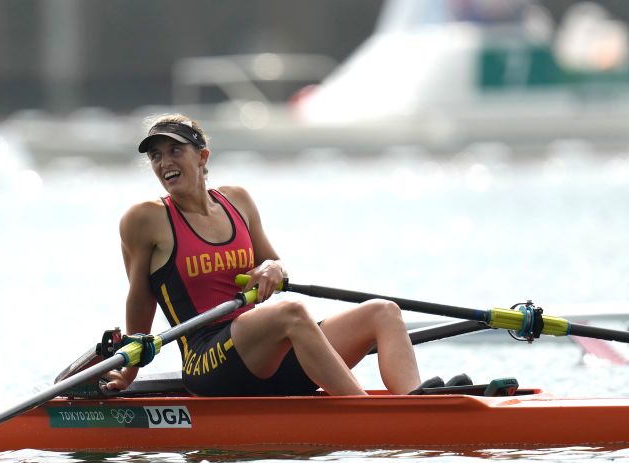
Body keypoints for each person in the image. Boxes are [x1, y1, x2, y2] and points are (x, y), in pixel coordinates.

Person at [105, 113, 467, 396]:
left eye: (175, 151)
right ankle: (364, 411)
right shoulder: (145, 219)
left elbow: (272, 261)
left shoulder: (237, 200)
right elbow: (140, 297)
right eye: (155, 155)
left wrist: (272, 268)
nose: (164, 162)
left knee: (383, 312)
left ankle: (415, 401)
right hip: (207, 363)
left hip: (263, 355)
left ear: (202, 157)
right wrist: (130, 368)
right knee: (290, 313)